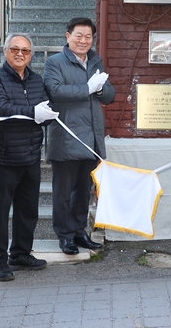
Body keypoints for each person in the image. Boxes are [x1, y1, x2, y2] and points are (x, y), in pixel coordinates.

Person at [0, 33, 58, 281]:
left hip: (30, 157)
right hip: (2, 158)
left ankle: (21, 253)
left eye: (25, 51)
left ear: (30, 55)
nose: (20, 54)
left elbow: (45, 109)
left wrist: (44, 114)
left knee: (28, 211)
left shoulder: (37, 81)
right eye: (15, 49)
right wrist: (32, 112)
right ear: (5, 52)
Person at [43, 17, 115, 255]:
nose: (84, 41)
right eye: (79, 36)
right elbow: (54, 91)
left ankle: (79, 233)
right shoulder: (55, 62)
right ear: (68, 36)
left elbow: (109, 95)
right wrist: (88, 89)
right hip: (66, 136)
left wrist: (100, 88)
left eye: (88, 37)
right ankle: (65, 236)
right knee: (63, 193)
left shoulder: (95, 62)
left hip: (91, 138)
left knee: (83, 191)